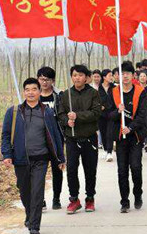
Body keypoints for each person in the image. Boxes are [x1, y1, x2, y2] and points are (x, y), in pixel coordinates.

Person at [1, 78, 66, 234]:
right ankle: (30, 216)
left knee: (37, 192)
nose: (31, 92)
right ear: (24, 92)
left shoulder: (47, 112)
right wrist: (7, 155)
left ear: (39, 92)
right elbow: (6, 135)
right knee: (24, 192)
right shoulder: (14, 112)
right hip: (21, 159)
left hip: (41, 159)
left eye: (34, 89)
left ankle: (35, 226)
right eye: (27, 89)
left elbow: (56, 135)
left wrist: (60, 158)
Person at [57, 65, 102, 214]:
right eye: (75, 75)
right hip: (72, 138)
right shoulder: (66, 95)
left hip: (89, 138)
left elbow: (96, 113)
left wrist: (77, 116)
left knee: (90, 169)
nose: (77, 78)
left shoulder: (93, 93)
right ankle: (74, 199)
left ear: (87, 77)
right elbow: (61, 114)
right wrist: (66, 121)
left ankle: (90, 198)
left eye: (80, 75)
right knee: (71, 170)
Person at [106, 61, 147, 213]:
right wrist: (118, 111)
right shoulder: (114, 92)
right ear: (118, 76)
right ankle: (124, 201)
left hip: (135, 136)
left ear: (133, 75)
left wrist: (130, 128)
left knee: (135, 167)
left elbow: (142, 115)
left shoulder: (140, 92)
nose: (125, 76)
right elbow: (108, 115)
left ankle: (138, 194)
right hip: (120, 137)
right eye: (122, 74)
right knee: (122, 170)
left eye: (128, 74)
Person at [36, 66, 63, 211]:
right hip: (39, 139)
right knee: (39, 170)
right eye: (41, 79)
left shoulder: (59, 96)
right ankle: (41, 200)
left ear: (53, 81)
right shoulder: (34, 96)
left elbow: (63, 115)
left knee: (56, 168)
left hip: (56, 137)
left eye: (47, 79)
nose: (44, 82)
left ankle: (56, 198)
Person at [98, 69, 115, 162]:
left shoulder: (114, 88)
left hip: (111, 114)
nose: (111, 77)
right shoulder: (98, 88)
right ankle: (105, 149)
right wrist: (99, 106)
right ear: (104, 77)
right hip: (101, 115)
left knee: (109, 133)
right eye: (109, 75)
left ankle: (109, 152)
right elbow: (96, 101)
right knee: (103, 132)